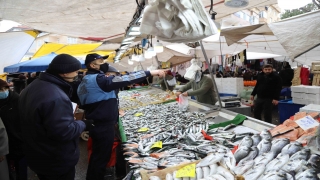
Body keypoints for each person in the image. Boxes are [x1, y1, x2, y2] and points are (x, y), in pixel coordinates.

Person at [77, 53, 165, 180]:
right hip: (103, 125)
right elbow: (126, 78)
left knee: (98, 157)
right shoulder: (99, 79)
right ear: (92, 65)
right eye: (100, 61)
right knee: (100, 159)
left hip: (95, 123)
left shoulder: (84, 81)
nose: (104, 64)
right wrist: (150, 72)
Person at [19, 54, 89, 180]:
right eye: (76, 71)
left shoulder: (32, 87)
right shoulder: (55, 96)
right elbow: (64, 132)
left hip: (38, 154)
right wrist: (82, 123)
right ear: (64, 73)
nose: (77, 74)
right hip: (55, 160)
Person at [0, 79, 27, 180]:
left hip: (19, 141)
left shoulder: (17, 100)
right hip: (5, 143)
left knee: (21, 170)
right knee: (6, 171)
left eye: (5, 88)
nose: (3, 91)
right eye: (0, 89)